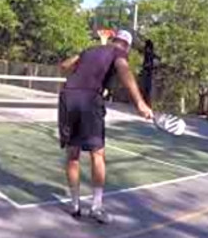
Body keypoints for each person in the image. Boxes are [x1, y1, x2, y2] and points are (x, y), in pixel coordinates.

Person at [58, 30, 153, 224]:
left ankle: (75, 206)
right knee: (97, 154)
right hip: (89, 100)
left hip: (68, 96)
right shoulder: (119, 53)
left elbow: (64, 66)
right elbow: (124, 71)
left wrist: (84, 69)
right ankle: (96, 207)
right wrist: (140, 103)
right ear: (126, 45)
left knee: (72, 153)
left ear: (113, 39)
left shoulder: (90, 49)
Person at [138, 39, 160, 107]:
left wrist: (150, 65)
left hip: (149, 73)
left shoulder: (151, 54)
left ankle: (147, 104)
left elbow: (157, 59)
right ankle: (145, 103)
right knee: (145, 89)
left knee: (148, 89)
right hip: (146, 72)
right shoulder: (147, 53)